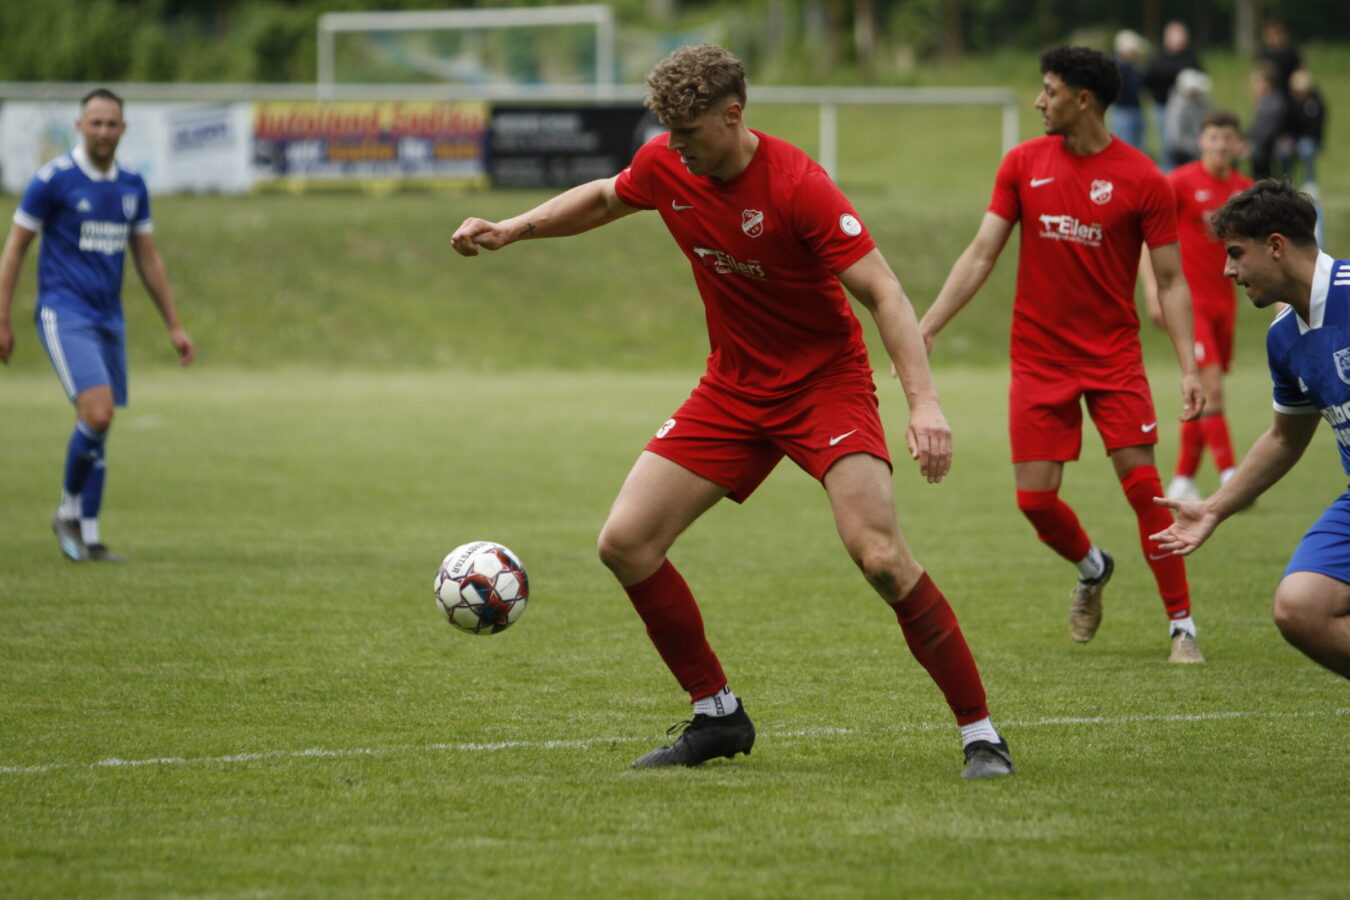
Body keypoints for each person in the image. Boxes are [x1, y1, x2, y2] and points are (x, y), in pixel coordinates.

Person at [452, 44, 1014, 778]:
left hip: (824, 386)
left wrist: (925, 403)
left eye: (688, 132)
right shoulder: (667, 164)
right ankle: (717, 715)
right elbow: (605, 198)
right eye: (669, 132)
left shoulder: (798, 186)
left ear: (733, 115)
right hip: (734, 388)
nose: (675, 147)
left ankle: (981, 735)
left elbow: (884, 292)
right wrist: (511, 228)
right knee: (626, 542)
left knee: (879, 555)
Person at [919, 46, 1206, 663]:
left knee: (1145, 489)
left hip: (1113, 357)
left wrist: (1189, 367)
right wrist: (929, 325)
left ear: (1083, 99)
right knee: (1035, 502)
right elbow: (981, 253)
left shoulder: (1144, 178)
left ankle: (1182, 626)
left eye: (1048, 91)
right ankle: (1093, 566)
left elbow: (1171, 281)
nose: (1038, 101)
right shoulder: (1022, 163)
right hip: (1038, 357)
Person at [1152, 180, 1350, 680]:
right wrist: (1213, 508)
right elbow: (1285, 438)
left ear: (1276, 246)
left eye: (1236, 253)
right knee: (1300, 607)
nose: (1227, 270)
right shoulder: (1283, 339)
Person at [0, 89, 193, 562]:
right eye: (96, 122)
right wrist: (2, 318)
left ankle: (88, 537)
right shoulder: (53, 180)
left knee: (95, 423)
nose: (104, 131)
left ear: (123, 129)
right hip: (64, 312)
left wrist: (174, 324)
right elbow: (15, 249)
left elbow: (147, 257)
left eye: (112, 123)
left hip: (109, 317)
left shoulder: (132, 185)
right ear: (79, 126)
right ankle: (67, 510)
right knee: (99, 413)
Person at [1144, 111, 1253, 503]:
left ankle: (1181, 480)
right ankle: (1233, 478)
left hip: (1225, 304)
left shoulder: (1244, 192)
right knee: (1211, 388)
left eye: (1227, 138)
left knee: (1204, 394)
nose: (1221, 145)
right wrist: (1153, 289)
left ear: (1238, 145)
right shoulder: (1179, 182)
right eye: (1214, 137)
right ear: (1201, 141)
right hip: (1191, 307)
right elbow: (1147, 239)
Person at [1143, 21, 1201, 171]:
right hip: (1163, 106)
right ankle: (1168, 176)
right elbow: (1148, 80)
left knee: (1190, 144)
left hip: (1189, 108)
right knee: (1169, 145)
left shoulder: (1190, 58)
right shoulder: (1158, 59)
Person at [1162, 68, 1212, 170]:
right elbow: (1177, 137)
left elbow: (1211, 117)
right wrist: (1199, 146)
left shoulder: (1203, 102)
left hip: (1198, 147)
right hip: (1181, 151)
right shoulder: (1178, 107)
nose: (1194, 94)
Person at [1247, 68, 1288, 181]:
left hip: (1271, 142)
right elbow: (1254, 126)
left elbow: (1272, 129)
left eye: (1257, 81)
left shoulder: (1275, 101)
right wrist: (1245, 139)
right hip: (1261, 141)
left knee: (1259, 154)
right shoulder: (1261, 101)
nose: (1254, 86)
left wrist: (1254, 142)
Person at [1110, 29, 1147, 151]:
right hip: (1123, 112)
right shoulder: (1116, 67)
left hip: (1136, 109)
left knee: (1138, 148)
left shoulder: (1133, 67)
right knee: (1126, 147)